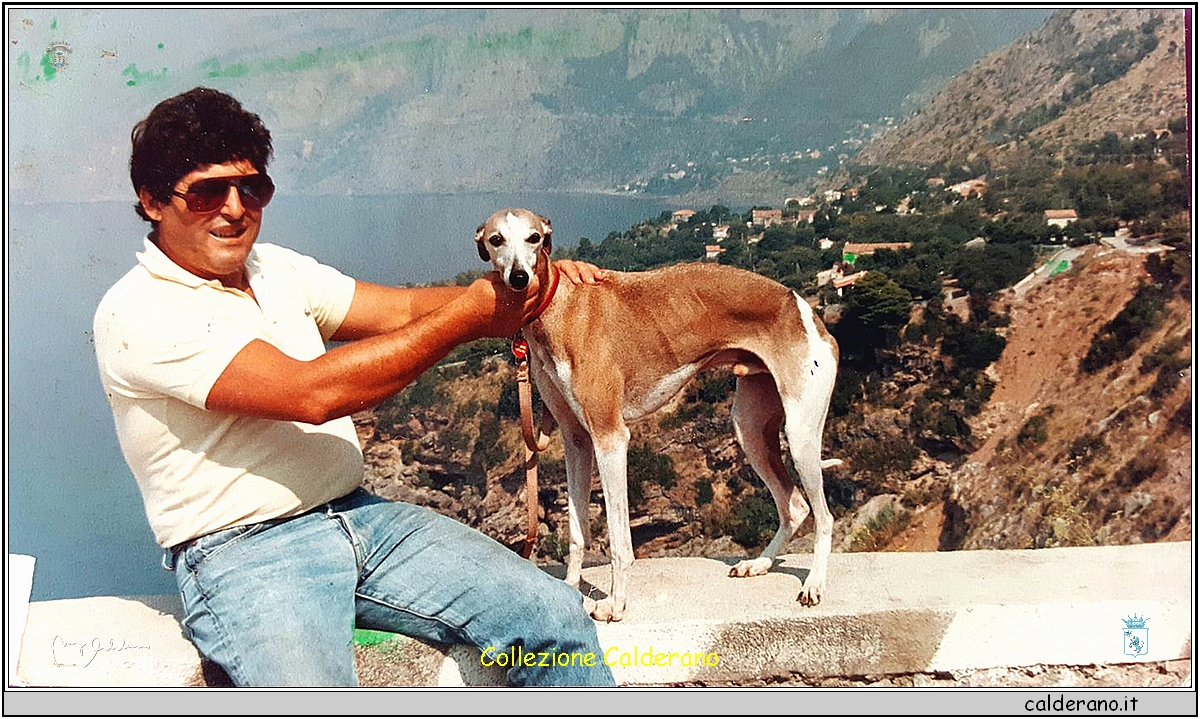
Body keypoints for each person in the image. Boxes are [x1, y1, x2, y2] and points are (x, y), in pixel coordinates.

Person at [93, 87, 614, 687]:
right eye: (209, 191)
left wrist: (537, 291)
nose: (235, 209)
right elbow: (311, 394)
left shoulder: (275, 269)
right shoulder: (140, 310)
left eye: (252, 188)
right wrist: (469, 316)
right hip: (243, 555)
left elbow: (407, 308)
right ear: (154, 200)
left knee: (550, 616)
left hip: (360, 518)